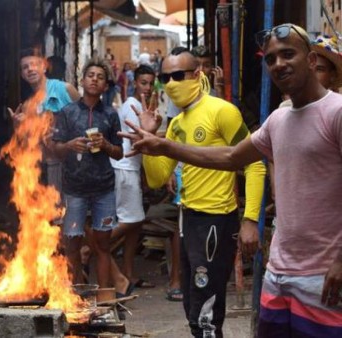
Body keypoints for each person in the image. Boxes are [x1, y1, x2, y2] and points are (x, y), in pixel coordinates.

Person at [123, 24, 342, 337]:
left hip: (321, 273)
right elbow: (229, 158)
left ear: (310, 60)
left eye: (288, 54)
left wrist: (340, 259)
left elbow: (248, 165)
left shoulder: (335, 113)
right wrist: (160, 145)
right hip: (279, 272)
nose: (278, 64)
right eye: (270, 59)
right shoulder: (278, 120)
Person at [121, 47, 266, 337]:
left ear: (197, 74)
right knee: (193, 307)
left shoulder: (222, 111)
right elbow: (157, 177)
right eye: (166, 78)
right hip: (188, 219)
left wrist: (250, 219)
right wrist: (149, 142)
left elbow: (256, 164)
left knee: (206, 310)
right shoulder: (177, 124)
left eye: (178, 75)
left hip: (217, 221)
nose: (171, 83)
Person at [50, 58, 123, 301]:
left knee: (103, 244)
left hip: (104, 188)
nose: (94, 79)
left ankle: (104, 297)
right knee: (72, 243)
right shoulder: (67, 113)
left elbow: (120, 152)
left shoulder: (111, 115)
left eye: (100, 77)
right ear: (82, 81)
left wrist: (106, 145)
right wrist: (69, 145)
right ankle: (75, 295)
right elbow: (56, 150)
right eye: (90, 75)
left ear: (105, 86)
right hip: (74, 189)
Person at [9, 48, 79, 220]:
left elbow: (86, 120)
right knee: (57, 216)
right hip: (51, 165)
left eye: (34, 65)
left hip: (75, 163)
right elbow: (28, 146)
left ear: (44, 67)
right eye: (25, 67)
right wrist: (18, 127)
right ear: (22, 74)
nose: (30, 69)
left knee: (78, 213)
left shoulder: (66, 89)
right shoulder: (27, 106)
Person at [110, 64, 157, 289]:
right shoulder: (132, 106)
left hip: (132, 169)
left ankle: (128, 274)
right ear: (134, 83)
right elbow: (137, 143)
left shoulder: (141, 105)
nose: (147, 87)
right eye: (143, 83)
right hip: (125, 168)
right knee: (133, 220)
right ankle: (92, 248)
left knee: (135, 227)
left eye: (150, 83)